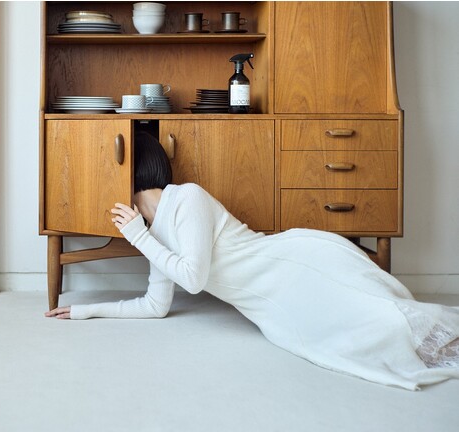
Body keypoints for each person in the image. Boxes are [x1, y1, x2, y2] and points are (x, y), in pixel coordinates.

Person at [45, 131, 459, 390]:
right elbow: (156, 306)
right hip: (274, 301)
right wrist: (85, 311)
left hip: (293, 267)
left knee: (389, 322)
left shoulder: (186, 197)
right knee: (358, 341)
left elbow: (192, 277)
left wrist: (137, 236)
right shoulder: (153, 233)